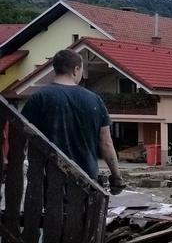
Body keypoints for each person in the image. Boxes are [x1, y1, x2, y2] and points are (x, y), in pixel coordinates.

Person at [22, 49, 124, 193]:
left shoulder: (38, 98)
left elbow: (21, 138)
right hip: (86, 182)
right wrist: (117, 177)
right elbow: (106, 142)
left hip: (47, 182)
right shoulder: (95, 100)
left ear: (55, 69)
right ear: (76, 70)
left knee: (50, 214)